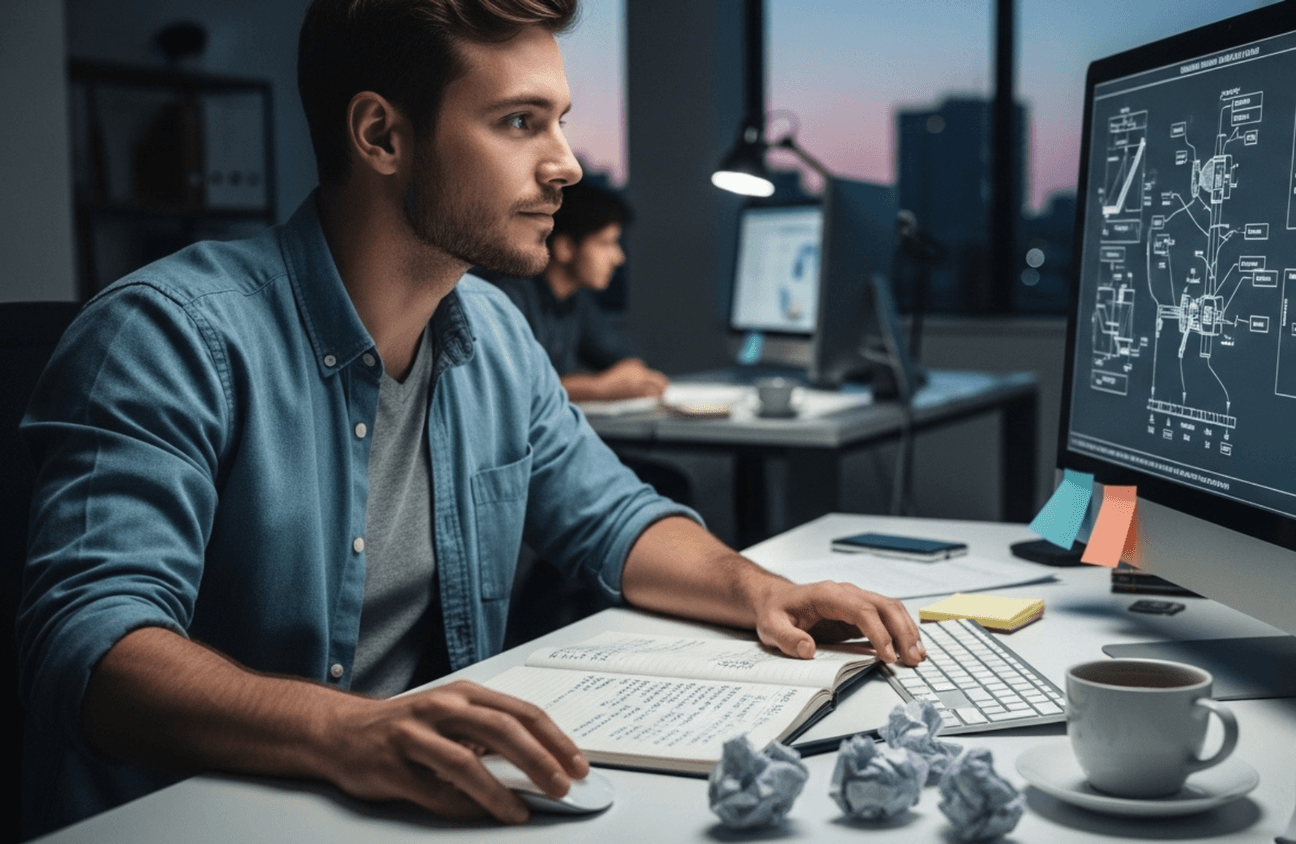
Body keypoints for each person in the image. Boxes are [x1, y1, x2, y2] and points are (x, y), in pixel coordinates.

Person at [14, 0, 924, 837]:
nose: (566, 163)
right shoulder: (166, 337)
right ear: (381, 135)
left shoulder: (491, 329)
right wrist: (353, 734)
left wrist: (757, 591)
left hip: (419, 807)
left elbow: (613, 519)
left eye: (559, 122)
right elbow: (93, 647)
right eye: (519, 123)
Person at [476, 179, 670, 402]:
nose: (618, 257)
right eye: (605, 243)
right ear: (565, 247)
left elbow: (621, 358)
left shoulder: (576, 300)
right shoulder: (507, 297)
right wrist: (599, 389)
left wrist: (632, 373)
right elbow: (507, 387)